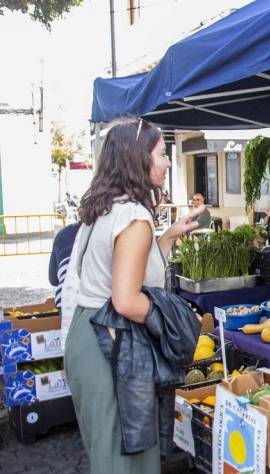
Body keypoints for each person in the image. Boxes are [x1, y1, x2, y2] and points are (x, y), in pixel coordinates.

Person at [64, 118, 205, 473]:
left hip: (88, 334)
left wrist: (169, 236)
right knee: (124, 459)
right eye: (161, 154)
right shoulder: (134, 217)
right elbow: (126, 300)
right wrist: (178, 321)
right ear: (138, 159)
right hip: (111, 344)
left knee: (108, 453)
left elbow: (124, 267)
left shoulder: (106, 206)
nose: (167, 162)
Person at [48, 222, 81, 308]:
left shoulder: (63, 233)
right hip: (94, 302)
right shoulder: (107, 230)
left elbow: (53, 279)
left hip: (64, 299)